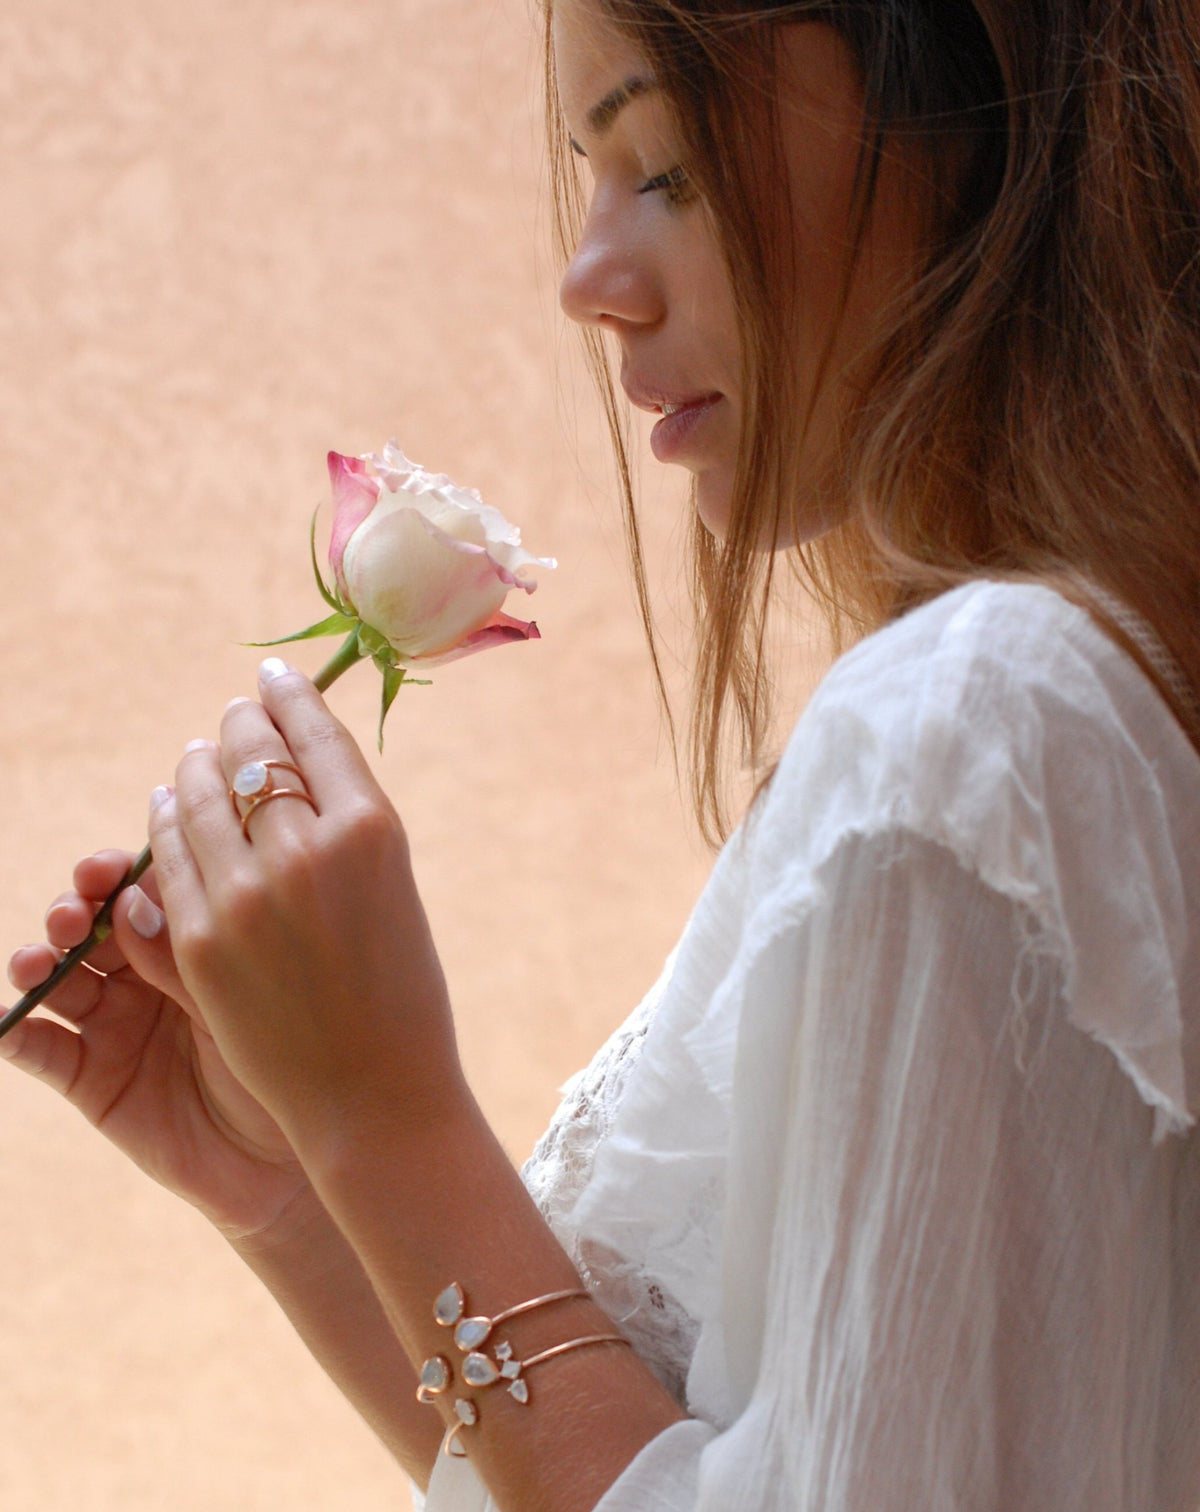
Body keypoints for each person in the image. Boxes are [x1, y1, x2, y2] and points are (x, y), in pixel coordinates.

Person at [5, 0, 1200, 1506]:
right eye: (595, 167)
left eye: (671, 167)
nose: (587, 281)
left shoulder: (974, 737)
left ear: (962, 114)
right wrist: (302, 1194)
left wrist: (385, 1121)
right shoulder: (1044, 712)